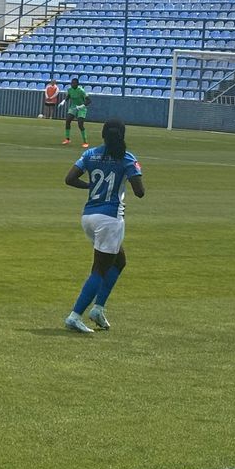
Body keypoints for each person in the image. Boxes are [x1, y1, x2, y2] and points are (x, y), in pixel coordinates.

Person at [61, 119, 145, 333]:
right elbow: (140, 191)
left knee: (119, 261)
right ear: (122, 136)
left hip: (89, 216)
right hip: (110, 219)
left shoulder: (90, 155)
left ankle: (98, 309)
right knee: (99, 269)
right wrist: (133, 172)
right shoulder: (126, 158)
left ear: (103, 135)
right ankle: (75, 315)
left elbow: (70, 178)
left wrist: (90, 185)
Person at [62, 77, 91, 147]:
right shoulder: (70, 90)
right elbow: (68, 96)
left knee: (80, 124)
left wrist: (81, 106)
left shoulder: (81, 91)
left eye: (74, 83)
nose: (72, 84)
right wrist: (63, 101)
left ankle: (85, 142)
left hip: (81, 108)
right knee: (68, 120)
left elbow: (89, 101)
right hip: (73, 107)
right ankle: (67, 139)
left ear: (77, 84)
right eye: (71, 83)